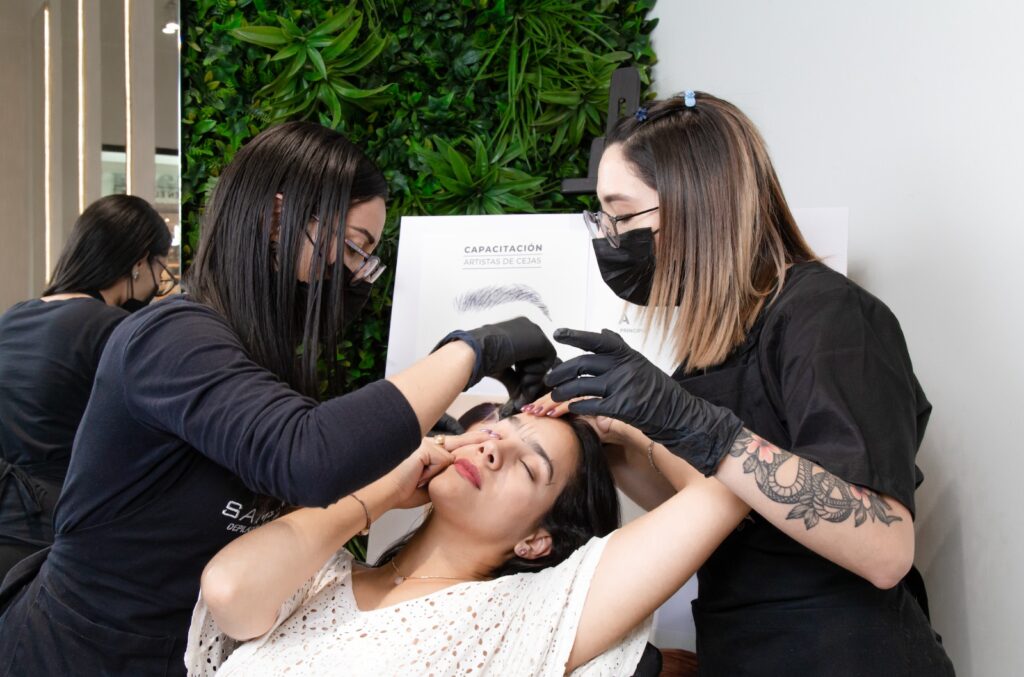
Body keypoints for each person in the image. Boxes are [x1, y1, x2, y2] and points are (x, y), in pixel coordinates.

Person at [0, 121, 557, 676]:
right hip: (70, 653)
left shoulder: (258, 364)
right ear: (275, 219)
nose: (355, 278)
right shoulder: (169, 338)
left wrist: (393, 476)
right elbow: (309, 455)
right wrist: (473, 350)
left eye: (364, 260)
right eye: (352, 248)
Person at [533, 92, 956, 675]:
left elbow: (885, 548)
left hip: (844, 652)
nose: (609, 237)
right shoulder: (719, 339)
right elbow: (716, 507)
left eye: (621, 216)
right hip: (741, 648)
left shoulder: (829, 317)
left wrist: (694, 425)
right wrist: (614, 431)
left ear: (695, 205)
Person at [184, 411, 748, 675]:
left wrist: (622, 423)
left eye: (529, 467)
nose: (493, 450)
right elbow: (228, 590)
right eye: (495, 432)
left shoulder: (527, 616)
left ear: (537, 541)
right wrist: (382, 492)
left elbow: (724, 492)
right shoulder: (321, 576)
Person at [0, 194, 172, 579]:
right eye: (160, 268)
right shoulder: (115, 330)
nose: (159, 283)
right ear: (139, 263)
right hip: (59, 531)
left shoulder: (13, 317)